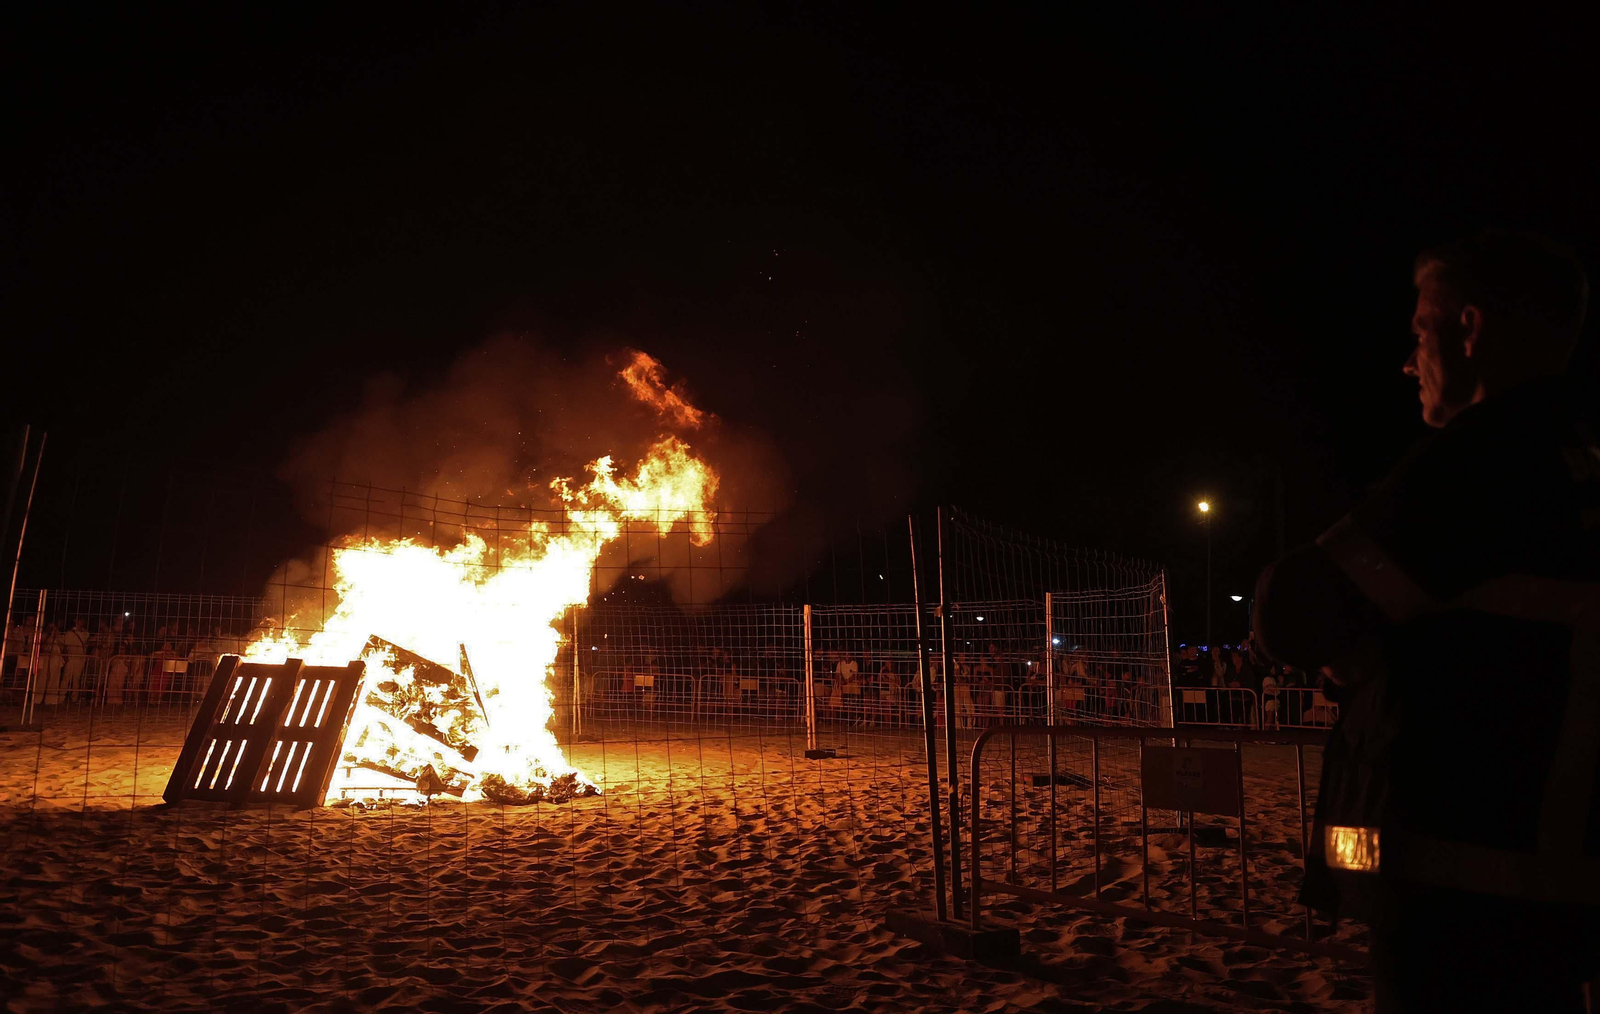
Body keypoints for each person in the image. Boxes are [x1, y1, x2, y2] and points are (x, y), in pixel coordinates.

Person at [1253, 232, 1599, 1011]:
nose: (1410, 362)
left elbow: (1294, 612)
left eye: (1419, 334)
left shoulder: (1479, 464)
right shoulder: (1581, 457)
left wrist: (1361, 643)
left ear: (1469, 329)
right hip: (1561, 876)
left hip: (1460, 881)